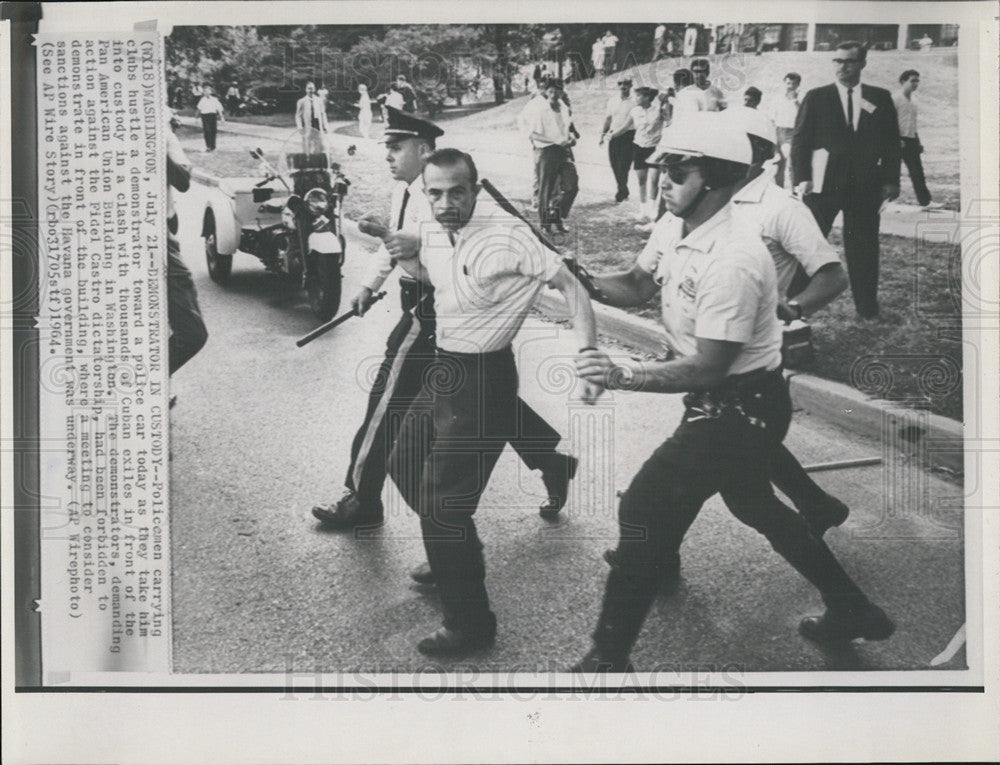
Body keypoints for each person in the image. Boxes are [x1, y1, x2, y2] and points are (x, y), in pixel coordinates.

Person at [570, 113, 894, 672]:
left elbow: (709, 369)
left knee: (645, 507)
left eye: (677, 169)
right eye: (662, 167)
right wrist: (585, 280)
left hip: (740, 408)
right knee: (755, 502)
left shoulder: (736, 258)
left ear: (716, 178)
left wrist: (622, 374)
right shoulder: (678, 226)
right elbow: (639, 284)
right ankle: (854, 609)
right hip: (730, 404)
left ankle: (608, 658)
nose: (662, 178)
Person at [312, 108, 578, 529]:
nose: (389, 156)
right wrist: (368, 283)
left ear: (423, 149)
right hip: (430, 306)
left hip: (431, 309)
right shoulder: (408, 189)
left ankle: (362, 498)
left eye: (396, 148)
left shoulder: (437, 192)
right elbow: (395, 241)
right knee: (481, 402)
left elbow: (421, 243)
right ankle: (550, 461)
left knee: (387, 401)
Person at [386, 148, 601, 655]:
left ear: (476, 190)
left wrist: (588, 353)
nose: (445, 203)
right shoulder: (434, 224)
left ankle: (470, 622)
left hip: (484, 379)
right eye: (434, 193)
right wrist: (408, 251)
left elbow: (573, 289)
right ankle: (455, 552)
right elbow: (432, 273)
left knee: (442, 504)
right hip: (445, 367)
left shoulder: (509, 237)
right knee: (402, 461)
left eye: (457, 192)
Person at [728, 106, 853, 537]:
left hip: (754, 352)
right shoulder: (714, 198)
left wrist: (794, 308)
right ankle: (818, 505)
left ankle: (653, 553)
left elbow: (833, 275)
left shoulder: (781, 208)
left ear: (758, 154)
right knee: (748, 440)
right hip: (712, 346)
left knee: (716, 457)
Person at [791, 41, 901, 319]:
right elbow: (800, 141)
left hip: (865, 188)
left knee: (864, 248)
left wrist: (891, 180)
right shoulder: (816, 97)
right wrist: (802, 178)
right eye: (837, 61)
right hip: (823, 186)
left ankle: (867, 309)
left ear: (862, 63)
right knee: (810, 246)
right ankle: (792, 305)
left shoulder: (880, 97)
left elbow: (891, 143)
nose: (842, 67)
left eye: (849, 61)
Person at [165, 123, 208, 387]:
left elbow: (182, 181)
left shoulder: (162, 132)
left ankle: (156, 378)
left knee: (192, 333)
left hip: (160, 234)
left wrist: (153, 150)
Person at [528, 78, 579, 235]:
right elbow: (534, 134)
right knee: (547, 188)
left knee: (572, 186)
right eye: (550, 91)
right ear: (545, 92)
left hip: (563, 152)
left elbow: (566, 129)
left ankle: (555, 215)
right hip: (547, 152)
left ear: (562, 92)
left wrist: (571, 138)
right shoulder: (541, 110)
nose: (554, 94)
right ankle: (546, 224)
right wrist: (556, 140)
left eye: (557, 90)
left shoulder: (564, 108)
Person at [893, 70, 938, 209]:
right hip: (896, 140)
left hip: (911, 140)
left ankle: (925, 202)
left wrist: (917, 142)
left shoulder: (914, 101)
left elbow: (913, 123)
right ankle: (886, 202)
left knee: (917, 172)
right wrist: (895, 139)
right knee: (892, 173)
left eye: (917, 81)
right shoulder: (895, 99)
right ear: (903, 81)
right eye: (912, 80)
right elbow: (888, 121)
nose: (915, 84)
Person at [629, 87, 668, 223]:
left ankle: (652, 210)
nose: (636, 98)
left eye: (638, 96)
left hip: (654, 148)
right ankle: (643, 210)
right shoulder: (634, 111)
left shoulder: (658, 110)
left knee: (654, 179)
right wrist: (612, 133)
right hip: (639, 146)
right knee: (641, 179)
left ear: (646, 97)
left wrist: (666, 100)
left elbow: (669, 119)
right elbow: (626, 125)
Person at [599, 76, 636, 203]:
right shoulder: (612, 100)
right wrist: (602, 135)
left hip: (629, 135)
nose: (622, 86)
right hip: (613, 135)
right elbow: (608, 118)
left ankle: (621, 190)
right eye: (620, 83)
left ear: (630, 85)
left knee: (624, 164)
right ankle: (622, 187)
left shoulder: (635, 101)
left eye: (626, 83)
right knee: (614, 163)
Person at [765, 72, 802, 189]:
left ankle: (794, 191)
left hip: (793, 133)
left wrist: (795, 101)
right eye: (788, 83)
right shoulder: (777, 98)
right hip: (778, 131)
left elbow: (803, 115)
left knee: (791, 162)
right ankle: (779, 190)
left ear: (798, 84)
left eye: (793, 83)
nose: (790, 86)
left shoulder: (802, 97)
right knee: (778, 163)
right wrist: (772, 137)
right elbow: (771, 119)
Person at [295, 81, 329, 155]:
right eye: (309, 89)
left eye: (312, 88)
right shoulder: (301, 101)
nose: (311, 90)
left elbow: (323, 114)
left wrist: (325, 126)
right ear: (306, 89)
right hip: (307, 127)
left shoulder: (319, 100)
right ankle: (307, 162)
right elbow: (298, 116)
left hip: (317, 126)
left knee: (319, 146)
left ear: (315, 89)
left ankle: (317, 163)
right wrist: (300, 127)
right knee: (307, 147)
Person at [195, 84, 225, 152]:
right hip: (205, 116)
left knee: (213, 131)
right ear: (203, 93)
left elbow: (219, 109)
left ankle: (213, 146)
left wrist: (222, 117)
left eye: (208, 91)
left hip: (213, 116)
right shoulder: (202, 100)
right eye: (205, 91)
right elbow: (199, 109)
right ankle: (208, 146)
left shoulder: (215, 99)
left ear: (211, 92)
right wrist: (196, 118)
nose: (206, 93)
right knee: (207, 131)